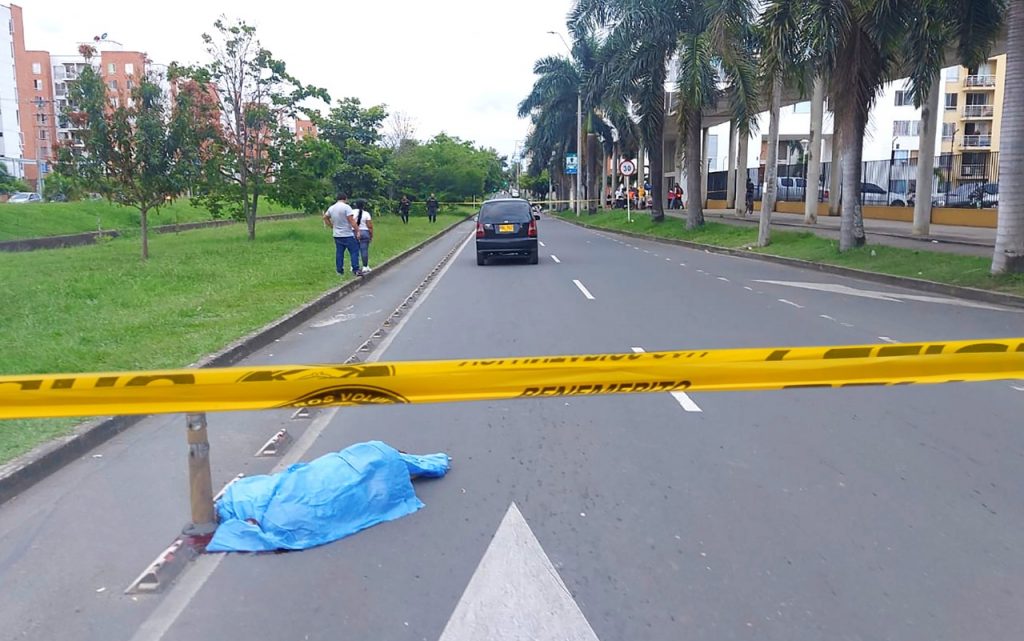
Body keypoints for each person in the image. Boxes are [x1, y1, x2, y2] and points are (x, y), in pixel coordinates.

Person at [323, 192, 361, 277]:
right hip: (347, 234)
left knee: (339, 253)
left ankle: (339, 271)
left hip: (337, 234)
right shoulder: (346, 207)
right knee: (354, 251)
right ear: (345, 199)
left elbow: (325, 217)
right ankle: (356, 269)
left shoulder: (332, 208)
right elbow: (351, 221)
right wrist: (358, 231)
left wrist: (331, 226)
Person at [353, 199, 374, 272]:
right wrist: (371, 235)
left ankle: (354, 266)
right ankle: (365, 266)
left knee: (354, 250)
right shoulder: (366, 214)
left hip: (353, 232)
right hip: (364, 232)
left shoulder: (351, 212)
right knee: (364, 250)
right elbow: (370, 226)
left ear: (355, 205)